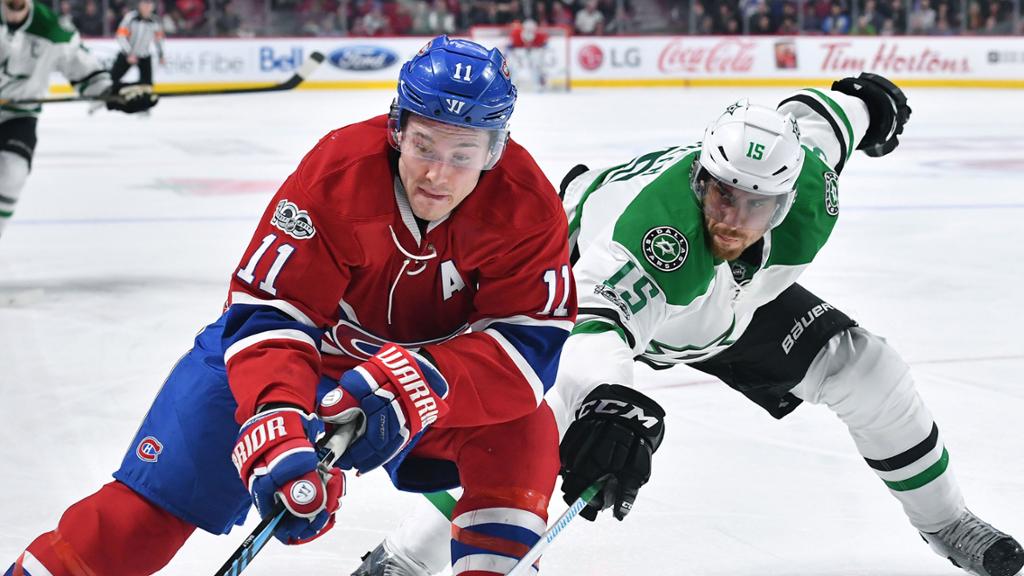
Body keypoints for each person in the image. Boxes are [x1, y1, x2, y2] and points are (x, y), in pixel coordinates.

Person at [352, 74, 1024, 576]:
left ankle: (948, 524)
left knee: (866, 368)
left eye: (756, 206)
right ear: (701, 178)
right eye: (721, 194)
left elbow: (816, 118)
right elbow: (596, 326)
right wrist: (608, 403)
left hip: (724, 310)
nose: (732, 219)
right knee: (535, 424)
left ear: (787, 198)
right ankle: (404, 559)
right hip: (584, 277)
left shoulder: (811, 187)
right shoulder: (654, 236)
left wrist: (867, 103)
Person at [4, 35, 575, 576]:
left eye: (463, 154)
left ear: (494, 150)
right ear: (398, 127)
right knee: (136, 522)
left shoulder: (527, 206)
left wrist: (421, 380)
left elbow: (528, 345)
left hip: (428, 381)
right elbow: (271, 308)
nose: (437, 174)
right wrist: (273, 413)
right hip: (291, 359)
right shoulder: (337, 172)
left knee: (522, 436)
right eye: (424, 145)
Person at [0, 0, 157, 241]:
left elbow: (86, 73)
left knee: (13, 172)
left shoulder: (54, 30)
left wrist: (116, 95)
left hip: (18, 114)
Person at [110, 0, 166, 87]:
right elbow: (120, 36)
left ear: (153, 6)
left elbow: (158, 40)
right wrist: (129, 53)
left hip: (144, 55)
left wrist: (161, 55)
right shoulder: (130, 17)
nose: (147, 6)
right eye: (144, 3)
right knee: (112, 80)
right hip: (127, 54)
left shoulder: (155, 21)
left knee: (147, 85)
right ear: (139, 5)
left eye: (149, 4)